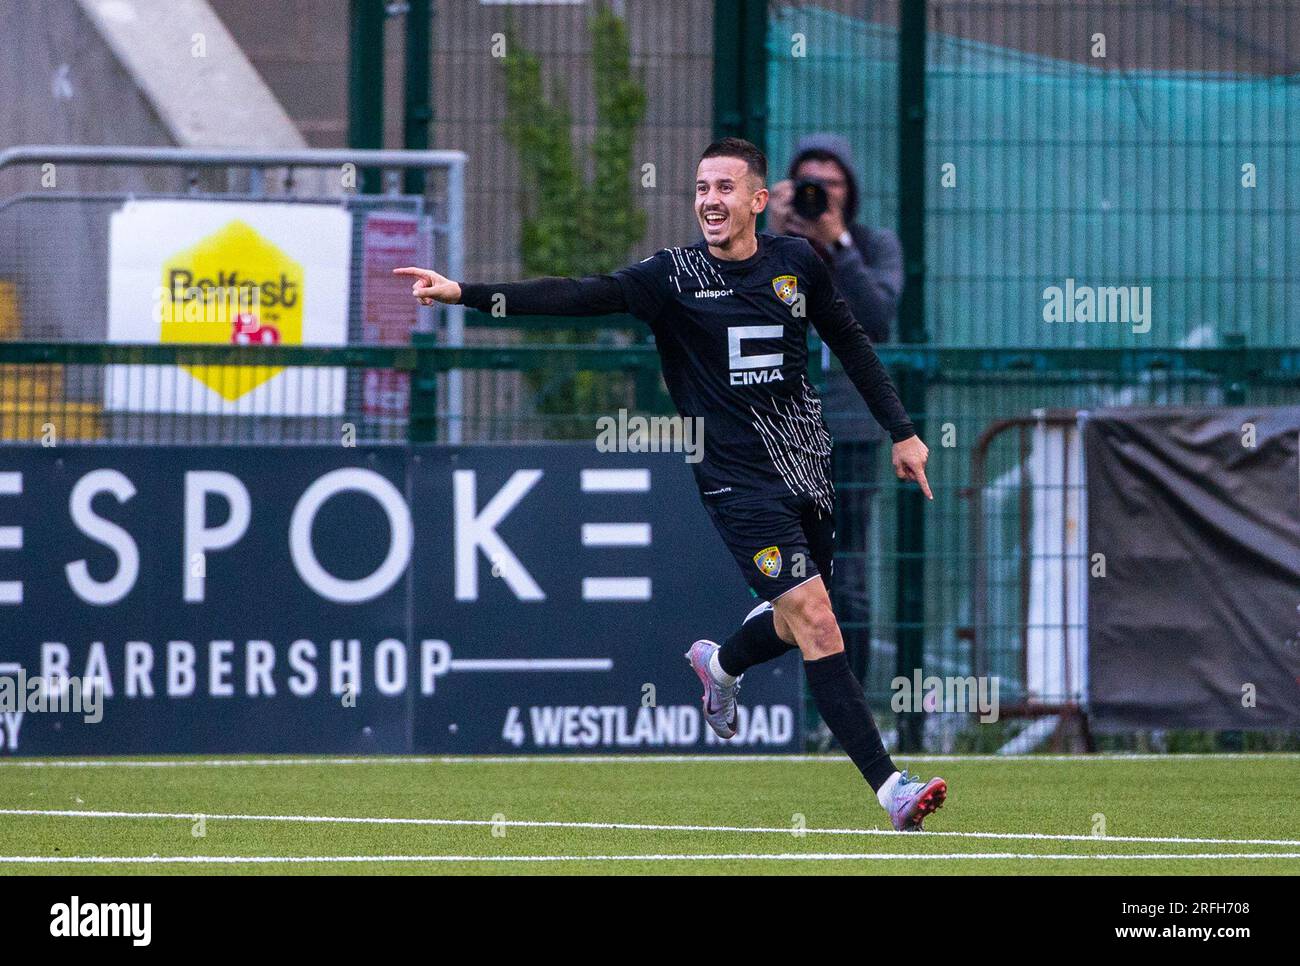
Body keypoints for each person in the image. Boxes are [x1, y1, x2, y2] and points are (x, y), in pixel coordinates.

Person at [394, 137, 947, 831]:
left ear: (757, 199)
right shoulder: (672, 277)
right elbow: (579, 294)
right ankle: (891, 788)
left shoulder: (797, 264)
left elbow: (854, 342)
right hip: (735, 484)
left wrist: (901, 431)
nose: (709, 200)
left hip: (808, 467)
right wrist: (466, 294)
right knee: (815, 617)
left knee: (797, 615)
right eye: (700, 188)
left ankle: (719, 666)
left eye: (724, 188)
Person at [766, 133, 905, 700]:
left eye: (832, 187)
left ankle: (843, 716)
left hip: (846, 434)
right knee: (780, 575)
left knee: (844, 579)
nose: (818, 197)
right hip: (773, 430)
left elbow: (876, 318)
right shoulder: (767, 246)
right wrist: (768, 230)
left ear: (850, 193)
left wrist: (837, 243)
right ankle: (779, 712)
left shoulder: (872, 246)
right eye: (808, 187)